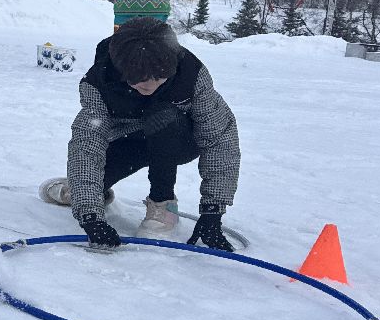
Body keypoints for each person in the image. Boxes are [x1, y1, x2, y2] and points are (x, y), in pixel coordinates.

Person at [39, 17, 240, 250]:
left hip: (179, 138)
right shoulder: (98, 83)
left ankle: (164, 205)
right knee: (88, 187)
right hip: (130, 140)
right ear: (122, 69)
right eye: (139, 79)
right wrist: (90, 215)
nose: (150, 86)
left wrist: (213, 211)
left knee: (162, 115)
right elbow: (87, 143)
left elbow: (219, 137)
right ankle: (84, 193)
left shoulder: (191, 75)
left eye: (159, 77)